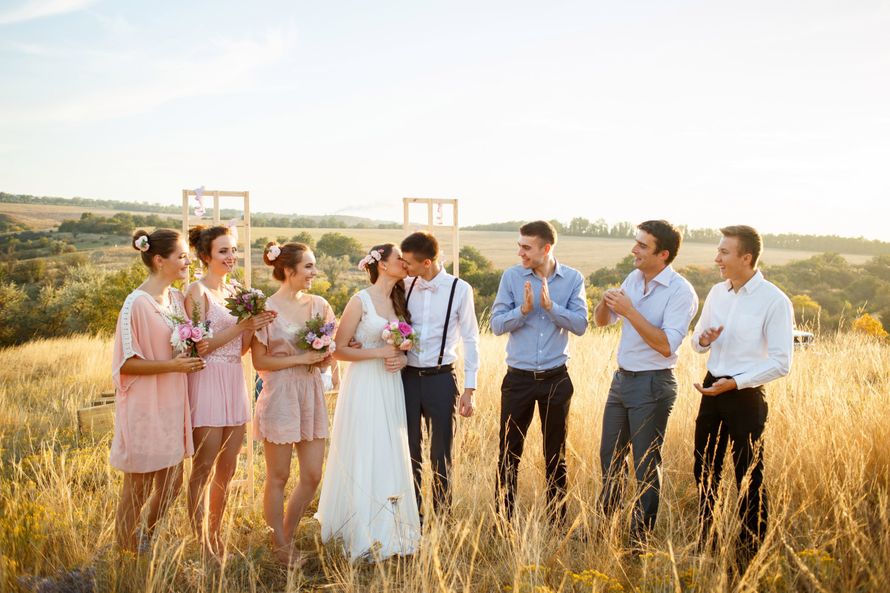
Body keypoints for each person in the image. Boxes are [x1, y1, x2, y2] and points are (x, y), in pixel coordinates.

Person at [691, 225, 793, 568]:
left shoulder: (775, 301)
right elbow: (695, 343)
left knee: (749, 475)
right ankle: (709, 542)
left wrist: (735, 383)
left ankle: (748, 554)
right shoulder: (717, 293)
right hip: (711, 387)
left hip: (746, 394)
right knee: (704, 469)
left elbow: (781, 363)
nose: (717, 258)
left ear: (745, 258)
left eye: (724, 252)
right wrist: (703, 340)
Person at [593, 220, 698, 548]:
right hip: (622, 380)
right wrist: (605, 302)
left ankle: (640, 539)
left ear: (663, 254)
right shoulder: (633, 278)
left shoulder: (682, 292)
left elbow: (667, 345)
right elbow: (601, 322)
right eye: (635, 242)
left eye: (642, 245)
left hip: (653, 385)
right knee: (609, 458)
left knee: (645, 464)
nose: (634, 249)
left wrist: (631, 311)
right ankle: (606, 530)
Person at [316, 244, 421, 561]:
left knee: (389, 448)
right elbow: (339, 349)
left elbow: (403, 350)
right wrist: (380, 352)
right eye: (398, 259)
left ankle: (391, 527)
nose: (403, 263)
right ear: (381, 265)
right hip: (363, 383)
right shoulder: (360, 300)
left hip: (390, 383)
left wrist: (401, 359)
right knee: (365, 446)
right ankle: (360, 528)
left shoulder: (399, 300)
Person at [184, 225, 276, 558]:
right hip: (207, 379)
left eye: (233, 250)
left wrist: (257, 325)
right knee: (204, 465)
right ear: (206, 255)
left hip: (235, 378)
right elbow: (198, 347)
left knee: (229, 466)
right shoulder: (197, 293)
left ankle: (216, 531)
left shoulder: (236, 292)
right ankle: (200, 540)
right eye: (223, 251)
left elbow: (240, 348)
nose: (230, 256)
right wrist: (242, 325)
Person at [111, 228, 204, 552]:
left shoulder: (177, 300)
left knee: (172, 483)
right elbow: (126, 363)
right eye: (180, 255)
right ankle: (123, 554)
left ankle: (145, 539)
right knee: (137, 486)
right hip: (144, 405)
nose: (186, 260)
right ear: (158, 259)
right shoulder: (135, 304)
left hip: (173, 403)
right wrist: (173, 366)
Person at [490, 220, 588, 526]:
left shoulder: (572, 278)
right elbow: (495, 325)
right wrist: (523, 311)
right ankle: (504, 522)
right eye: (519, 246)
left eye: (526, 247)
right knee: (509, 453)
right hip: (517, 379)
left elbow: (581, 325)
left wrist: (550, 306)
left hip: (556, 379)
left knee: (556, 455)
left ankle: (557, 523)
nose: (520, 252)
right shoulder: (511, 277)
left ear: (545, 249)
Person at [251, 242, 334, 565]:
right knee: (278, 476)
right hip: (280, 394)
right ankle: (280, 546)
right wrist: (301, 357)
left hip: (311, 392)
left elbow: (329, 353)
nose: (315, 272)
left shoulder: (320, 305)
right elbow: (260, 360)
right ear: (289, 270)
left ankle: (287, 534)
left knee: (313, 474)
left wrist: (324, 358)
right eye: (309, 267)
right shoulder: (264, 309)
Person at [400, 231, 480, 519]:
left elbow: (471, 338)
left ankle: (443, 515)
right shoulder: (404, 285)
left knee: (441, 452)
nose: (404, 267)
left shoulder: (460, 289)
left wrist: (470, 388)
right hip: (406, 378)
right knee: (409, 449)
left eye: (408, 262)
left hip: (441, 378)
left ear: (427, 263)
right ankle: (414, 514)